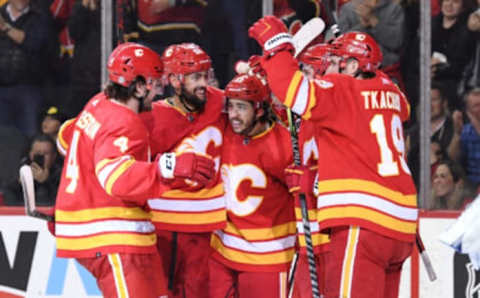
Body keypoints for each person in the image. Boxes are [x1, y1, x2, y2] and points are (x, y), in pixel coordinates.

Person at [249, 18, 418, 298]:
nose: (328, 69)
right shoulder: (392, 93)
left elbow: (292, 90)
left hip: (364, 221)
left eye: (335, 61)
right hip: (401, 226)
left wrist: (276, 49)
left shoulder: (342, 89)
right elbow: (401, 108)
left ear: (352, 65)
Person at [54, 42, 215, 298]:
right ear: (138, 86)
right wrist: (169, 166)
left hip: (115, 232)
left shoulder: (99, 103)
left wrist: (69, 210)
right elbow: (115, 178)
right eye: (154, 82)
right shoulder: (124, 121)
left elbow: (66, 141)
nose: (159, 91)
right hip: (113, 236)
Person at [145, 42, 226, 298]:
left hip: (207, 225)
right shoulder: (153, 116)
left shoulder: (219, 102)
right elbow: (130, 165)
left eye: (205, 75)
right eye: (195, 77)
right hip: (163, 225)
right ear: (174, 80)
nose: (203, 83)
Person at [208, 73, 296, 297]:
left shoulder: (283, 145)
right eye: (231, 106)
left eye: (241, 107)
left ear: (258, 109)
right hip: (222, 252)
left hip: (267, 258)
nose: (233, 115)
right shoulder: (225, 130)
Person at [0, 0, 53, 137]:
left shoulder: (40, 16)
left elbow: (35, 43)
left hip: (29, 88)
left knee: (30, 135)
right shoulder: (2, 12)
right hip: (2, 88)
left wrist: (5, 28)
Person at [4, 133, 61, 206]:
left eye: (46, 153)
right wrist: (20, 184)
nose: (41, 156)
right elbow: (8, 198)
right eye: (38, 153)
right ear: (31, 154)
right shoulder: (22, 170)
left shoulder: (61, 174)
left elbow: (61, 202)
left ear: (54, 156)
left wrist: (46, 181)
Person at [450, 87, 480, 189]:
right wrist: (457, 134)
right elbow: (453, 159)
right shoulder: (466, 130)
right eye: (476, 106)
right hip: (472, 185)